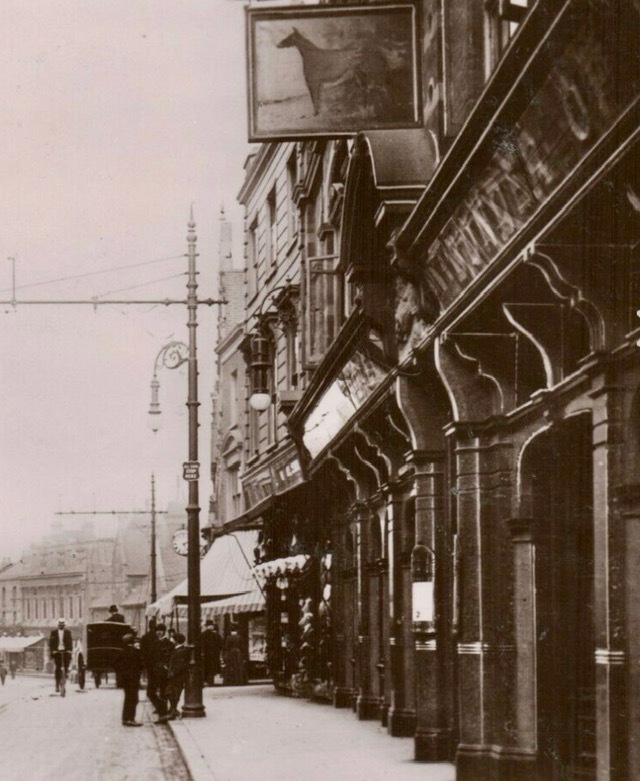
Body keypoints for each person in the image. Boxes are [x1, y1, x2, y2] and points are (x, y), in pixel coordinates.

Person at [159, 633, 191, 721]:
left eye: (173, 638)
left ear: (176, 641)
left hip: (177, 677)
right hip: (174, 675)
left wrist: (173, 673)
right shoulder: (177, 649)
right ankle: (173, 710)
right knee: (169, 692)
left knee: (174, 693)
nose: (171, 640)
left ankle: (173, 710)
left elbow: (180, 665)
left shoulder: (181, 651)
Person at [147, 622, 174, 722]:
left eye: (160, 631)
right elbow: (150, 656)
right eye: (157, 631)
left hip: (164, 671)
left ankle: (163, 713)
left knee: (163, 692)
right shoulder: (154, 643)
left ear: (164, 632)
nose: (158, 633)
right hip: (154, 671)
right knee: (150, 692)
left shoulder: (169, 644)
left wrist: (166, 665)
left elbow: (171, 657)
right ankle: (161, 709)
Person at [115, 633, 143, 726]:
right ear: (132, 641)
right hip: (134, 679)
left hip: (125, 680)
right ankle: (131, 719)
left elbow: (116, 665)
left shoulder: (121, 652)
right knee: (134, 699)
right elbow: (141, 665)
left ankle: (125, 718)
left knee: (128, 698)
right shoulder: (136, 652)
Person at [49, 618, 73, 692]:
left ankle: (65, 675)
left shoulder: (68, 632)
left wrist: (69, 650)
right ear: (58, 625)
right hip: (57, 652)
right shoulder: (53, 632)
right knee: (58, 668)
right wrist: (53, 651)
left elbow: (70, 642)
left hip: (65, 651)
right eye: (60, 625)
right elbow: (51, 643)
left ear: (64, 625)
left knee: (66, 666)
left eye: (62, 625)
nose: (61, 626)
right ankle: (57, 684)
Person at [201, 620, 222, 686]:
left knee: (206, 667)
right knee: (213, 668)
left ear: (206, 626)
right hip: (214, 654)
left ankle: (207, 681)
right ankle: (211, 681)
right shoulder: (216, 635)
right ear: (212, 626)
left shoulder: (203, 634)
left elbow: (199, 644)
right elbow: (221, 644)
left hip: (206, 654)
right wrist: (218, 650)